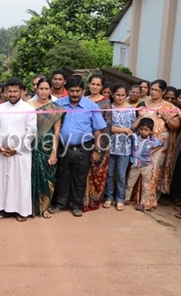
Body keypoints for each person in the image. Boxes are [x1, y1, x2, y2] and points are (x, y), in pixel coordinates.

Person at [50, 77, 107, 217]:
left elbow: (97, 130)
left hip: (84, 147)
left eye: (78, 91)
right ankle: (60, 204)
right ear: (67, 90)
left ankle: (76, 206)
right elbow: (52, 126)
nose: (75, 94)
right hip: (64, 146)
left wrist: (96, 150)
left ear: (83, 90)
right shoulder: (59, 104)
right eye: (72, 91)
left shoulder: (91, 106)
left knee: (80, 178)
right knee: (62, 176)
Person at [131, 79, 180, 210]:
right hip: (142, 142)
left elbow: (176, 127)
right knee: (138, 167)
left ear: (163, 91)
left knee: (153, 170)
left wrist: (166, 117)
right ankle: (136, 198)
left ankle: (148, 201)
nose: (153, 92)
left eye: (156, 90)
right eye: (151, 89)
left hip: (159, 144)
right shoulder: (143, 103)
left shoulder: (169, 107)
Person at [0, 78, 36, 221]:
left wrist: (17, 149)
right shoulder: (0, 108)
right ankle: (4, 209)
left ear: (22, 92)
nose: (12, 94)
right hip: (2, 152)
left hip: (20, 153)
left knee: (20, 181)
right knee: (3, 180)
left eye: (15, 91)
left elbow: (31, 132)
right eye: (9, 91)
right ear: (5, 92)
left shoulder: (29, 109)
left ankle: (21, 211)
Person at [28, 77, 65, 218]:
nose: (43, 91)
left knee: (47, 178)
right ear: (36, 89)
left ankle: (44, 207)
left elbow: (57, 131)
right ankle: (29, 207)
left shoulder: (56, 108)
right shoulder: (29, 105)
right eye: (41, 88)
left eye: (46, 89)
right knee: (30, 177)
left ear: (50, 90)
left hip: (47, 147)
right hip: (29, 146)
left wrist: (54, 152)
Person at [104, 83, 137, 211]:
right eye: (117, 94)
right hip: (110, 146)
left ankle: (119, 198)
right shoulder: (108, 108)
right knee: (110, 173)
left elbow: (133, 128)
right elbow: (108, 128)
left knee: (122, 174)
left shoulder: (130, 109)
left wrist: (127, 130)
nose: (120, 97)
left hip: (125, 147)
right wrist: (124, 130)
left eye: (123, 95)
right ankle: (108, 197)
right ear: (113, 94)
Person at [83, 74, 112, 211]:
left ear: (102, 87)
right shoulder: (83, 100)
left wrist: (99, 148)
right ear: (88, 84)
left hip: (99, 144)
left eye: (98, 85)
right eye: (92, 84)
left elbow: (106, 127)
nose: (95, 87)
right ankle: (83, 200)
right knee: (83, 172)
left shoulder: (106, 103)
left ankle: (94, 200)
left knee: (96, 173)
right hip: (83, 142)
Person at [124, 118, 163, 211]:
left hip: (146, 166)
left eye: (146, 130)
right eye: (141, 129)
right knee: (129, 183)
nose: (143, 132)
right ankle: (126, 199)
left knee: (145, 185)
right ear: (138, 129)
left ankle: (142, 203)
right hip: (135, 165)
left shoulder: (152, 140)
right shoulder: (135, 137)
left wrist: (152, 151)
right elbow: (128, 135)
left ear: (150, 131)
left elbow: (161, 144)